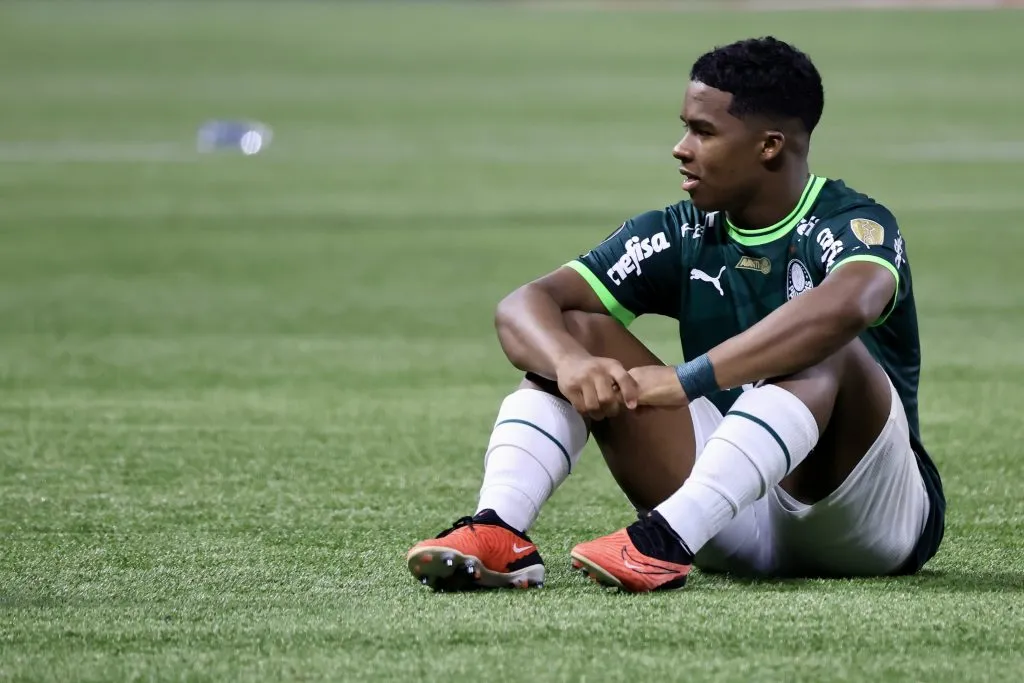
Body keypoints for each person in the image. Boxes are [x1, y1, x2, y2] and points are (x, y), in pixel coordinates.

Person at [406, 36, 945, 593]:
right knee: (577, 329)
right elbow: (524, 305)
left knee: (827, 344)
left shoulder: (851, 221)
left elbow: (851, 303)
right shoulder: (680, 230)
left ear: (769, 146)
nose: (680, 148)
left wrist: (688, 380)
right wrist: (569, 363)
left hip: (863, 519)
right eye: (686, 126)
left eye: (703, 131)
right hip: (724, 511)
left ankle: (663, 540)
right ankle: (498, 530)